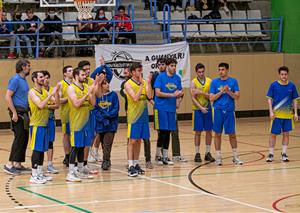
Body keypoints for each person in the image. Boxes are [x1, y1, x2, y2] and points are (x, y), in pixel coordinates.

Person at [152, 58, 186, 163]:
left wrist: (178, 101)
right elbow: (157, 93)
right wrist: (172, 95)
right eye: (171, 65)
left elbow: (180, 92)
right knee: (162, 132)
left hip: (171, 109)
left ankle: (165, 156)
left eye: (175, 66)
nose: (174, 68)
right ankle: (158, 155)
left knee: (168, 132)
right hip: (161, 108)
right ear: (167, 66)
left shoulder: (177, 78)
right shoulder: (160, 77)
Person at [28, 71, 60, 184]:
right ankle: (34, 175)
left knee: (42, 150)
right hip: (36, 125)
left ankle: (40, 173)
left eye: (43, 77)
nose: (43, 79)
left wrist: (56, 93)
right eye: (40, 77)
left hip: (45, 124)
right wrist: (50, 94)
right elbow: (41, 105)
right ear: (34, 79)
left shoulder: (45, 92)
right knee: (37, 150)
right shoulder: (32, 92)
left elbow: (57, 105)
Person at [66, 67, 97, 182]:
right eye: (82, 75)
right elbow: (76, 103)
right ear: (76, 76)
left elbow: (93, 104)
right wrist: (86, 94)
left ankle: (79, 170)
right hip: (76, 123)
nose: (85, 77)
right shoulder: (71, 88)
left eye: (85, 75)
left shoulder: (86, 87)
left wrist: (91, 93)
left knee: (82, 147)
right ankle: (70, 173)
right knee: (75, 147)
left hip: (86, 122)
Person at [209, 62, 243, 166]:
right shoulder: (214, 82)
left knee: (232, 134)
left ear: (227, 70)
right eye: (219, 70)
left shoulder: (233, 81)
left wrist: (228, 91)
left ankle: (235, 156)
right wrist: (221, 92)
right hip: (218, 110)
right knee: (217, 134)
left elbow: (237, 97)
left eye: (222, 69)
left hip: (229, 111)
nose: (220, 72)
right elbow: (211, 98)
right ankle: (218, 157)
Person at [120, 67, 154, 169]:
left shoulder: (144, 82)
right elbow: (135, 98)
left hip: (143, 116)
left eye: (141, 70)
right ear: (133, 72)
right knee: (132, 141)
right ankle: (130, 165)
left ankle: (136, 163)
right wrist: (141, 86)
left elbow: (149, 95)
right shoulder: (128, 84)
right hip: (133, 116)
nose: (140, 72)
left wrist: (148, 83)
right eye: (138, 70)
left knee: (139, 140)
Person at [266, 66, 299, 162]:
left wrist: (295, 113)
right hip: (276, 115)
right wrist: (271, 112)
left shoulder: (292, 86)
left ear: (287, 75)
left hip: (288, 115)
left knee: (286, 134)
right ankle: (271, 154)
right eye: (282, 74)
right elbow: (269, 99)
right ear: (279, 75)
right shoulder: (274, 85)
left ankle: (284, 153)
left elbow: (295, 100)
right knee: (273, 134)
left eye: (285, 74)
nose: (284, 76)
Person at [3, 59, 31, 175]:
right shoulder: (15, 79)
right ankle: (9, 164)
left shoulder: (24, 80)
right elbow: (8, 96)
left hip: (24, 113)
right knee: (19, 137)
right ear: (23, 67)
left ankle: (18, 163)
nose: (30, 68)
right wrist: (14, 112)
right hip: (18, 112)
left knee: (24, 138)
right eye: (28, 66)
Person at [190, 63, 215, 162]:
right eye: (199, 72)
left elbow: (211, 96)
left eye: (202, 71)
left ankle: (208, 153)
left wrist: (201, 92)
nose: (201, 73)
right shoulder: (193, 82)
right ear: (196, 72)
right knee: (198, 132)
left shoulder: (210, 81)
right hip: (197, 110)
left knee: (209, 131)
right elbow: (193, 98)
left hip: (208, 108)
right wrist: (200, 108)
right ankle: (197, 153)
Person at [94, 79, 119, 170]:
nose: (107, 85)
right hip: (101, 123)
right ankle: (107, 159)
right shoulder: (97, 96)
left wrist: (107, 116)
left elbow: (116, 109)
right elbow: (95, 109)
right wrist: (102, 118)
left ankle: (105, 160)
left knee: (107, 143)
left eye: (107, 83)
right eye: (104, 83)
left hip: (111, 123)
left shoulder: (113, 95)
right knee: (103, 144)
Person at [43, 70, 59, 174]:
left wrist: (46, 106)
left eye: (48, 77)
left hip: (51, 119)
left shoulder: (52, 90)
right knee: (40, 143)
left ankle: (49, 164)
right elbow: (39, 105)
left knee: (50, 142)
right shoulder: (37, 91)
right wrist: (48, 105)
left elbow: (57, 105)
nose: (46, 80)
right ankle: (38, 166)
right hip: (41, 120)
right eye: (44, 77)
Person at [58, 66, 73, 167]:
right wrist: (70, 97)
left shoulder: (75, 83)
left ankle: (73, 155)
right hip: (66, 113)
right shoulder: (61, 84)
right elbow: (58, 100)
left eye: (72, 70)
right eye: (69, 71)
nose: (72, 72)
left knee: (74, 135)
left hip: (76, 113)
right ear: (64, 74)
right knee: (66, 135)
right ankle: (67, 155)